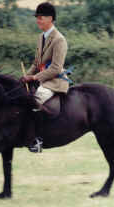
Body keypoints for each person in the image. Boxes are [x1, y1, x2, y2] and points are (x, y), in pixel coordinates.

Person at [21, 2, 69, 153]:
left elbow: (55, 68)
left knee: (36, 99)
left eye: (40, 17)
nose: (38, 20)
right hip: (42, 78)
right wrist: (25, 76)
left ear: (50, 19)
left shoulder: (59, 40)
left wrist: (34, 78)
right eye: (37, 17)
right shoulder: (41, 37)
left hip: (55, 80)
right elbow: (36, 63)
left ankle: (38, 139)